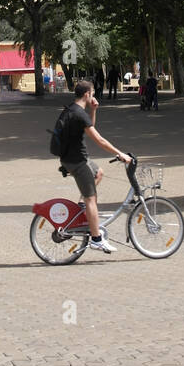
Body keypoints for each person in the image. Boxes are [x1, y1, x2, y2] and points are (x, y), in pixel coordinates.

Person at [60, 80, 130, 253]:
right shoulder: (78, 113)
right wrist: (120, 153)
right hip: (77, 161)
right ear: (87, 94)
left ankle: (83, 208)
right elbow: (99, 140)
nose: (93, 95)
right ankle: (97, 239)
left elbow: (89, 128)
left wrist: (93, 110)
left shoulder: (73, 109)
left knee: (98, 173)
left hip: (74, 158)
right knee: (92, 199)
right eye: (92, 93)